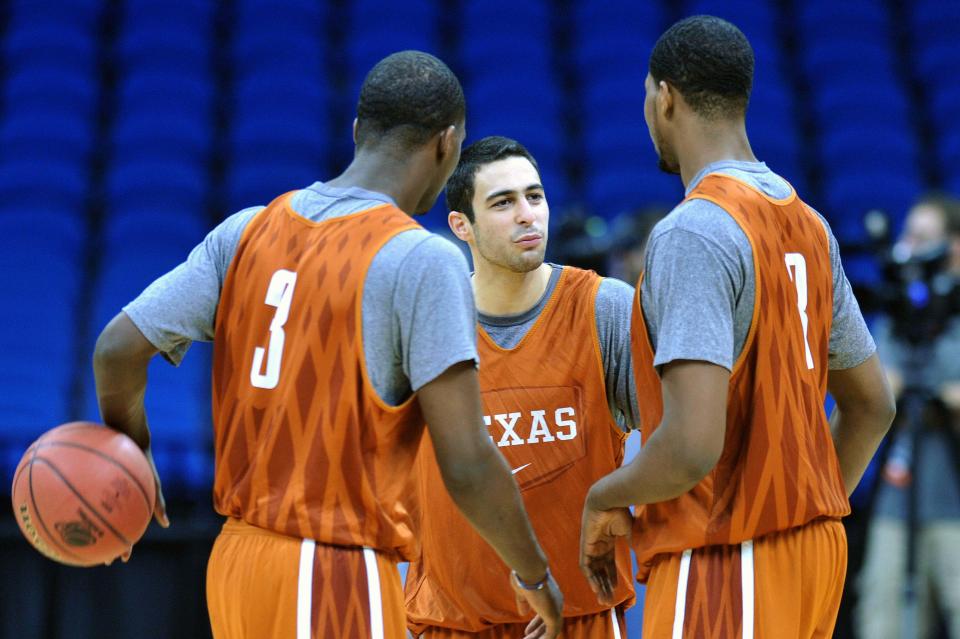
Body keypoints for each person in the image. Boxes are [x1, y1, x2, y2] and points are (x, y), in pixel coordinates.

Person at [92, 51, 563, 639]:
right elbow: (466, 461)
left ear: (358, 131)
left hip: (235, 563)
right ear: (448, 145)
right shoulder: (422, 257)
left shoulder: (246, 230)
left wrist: (133, 456)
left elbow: (115, 349)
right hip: (332, 569)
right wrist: (534, 574)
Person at [577, 16, 896, 638]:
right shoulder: (807, 220)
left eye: (647, 96)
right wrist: (809, 511)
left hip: (728, 559)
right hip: (814, 554)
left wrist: (605, 495)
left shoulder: (693, 230)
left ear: (663, 97)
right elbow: (873, 405)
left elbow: (693, 446)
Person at [405, 136, 638, 638]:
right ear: (460, 225)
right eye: (504, 203)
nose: (527, 215)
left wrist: (627, 491)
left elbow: (678, 436)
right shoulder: (424, 320)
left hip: (583, 618)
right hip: (454, 622)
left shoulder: (605, 308)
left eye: (535, 197)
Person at [856, 195, 960, 639]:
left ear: (953, 248)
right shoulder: (897, 316)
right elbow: (870, 401)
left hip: (954, 498)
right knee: (883, 618)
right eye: (908, 235)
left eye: (923, 237)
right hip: (896, 497)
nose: (909, 246)